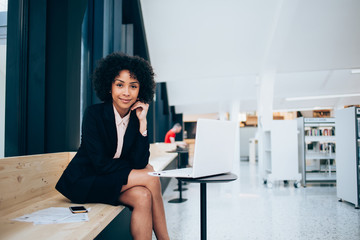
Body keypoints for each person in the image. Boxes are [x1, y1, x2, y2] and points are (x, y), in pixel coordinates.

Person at [56, 52, 169, 240]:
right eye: (120, 85)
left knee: (143, 196)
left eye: (133, 86)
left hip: (111, 180)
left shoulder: (135, 118)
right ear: (109, 86)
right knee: (151, 176)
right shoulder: (94, 114)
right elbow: (99, 163)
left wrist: (143, 124)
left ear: (141, 90)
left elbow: (139, 161)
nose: (126, 92)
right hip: (86, 181)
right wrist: (139, 170)